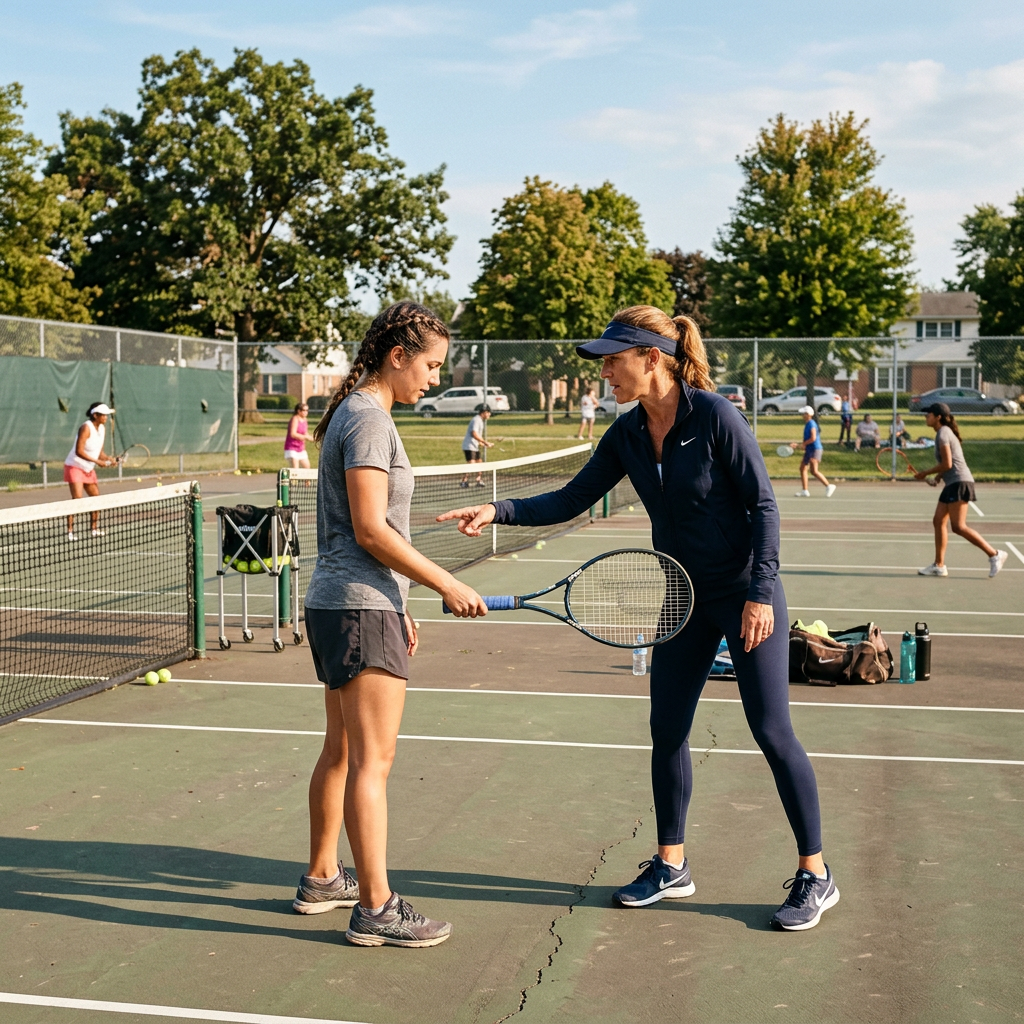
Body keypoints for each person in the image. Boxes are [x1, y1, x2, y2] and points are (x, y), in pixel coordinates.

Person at [438, 306, 839, 931]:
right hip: (681, 598)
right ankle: (671, 863)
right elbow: (572, 497)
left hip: (743, 593)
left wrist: (760, 593)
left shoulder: (714, 416)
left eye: (612, 360)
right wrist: (500, 509)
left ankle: (815, 872)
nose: (605, 373)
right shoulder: (626, 434)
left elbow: (763, 505)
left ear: (653, 357)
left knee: (771, 729)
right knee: (667, 729)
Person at [295, 301, 487, 947]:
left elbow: (363, 534)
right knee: (373, 762)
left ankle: (325, 877)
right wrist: (446, 583)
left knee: (343, 752)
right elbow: (371, 527)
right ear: (397, 356)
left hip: (341, 605)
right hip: (356, 607)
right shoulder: (369, 420)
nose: (434, 379)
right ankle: (377, 907)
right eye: (430, 365)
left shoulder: (356, 414)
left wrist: (400, 600)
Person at [914, 402, 1007, 578]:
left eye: (929, 414)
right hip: (953, 483)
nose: (926, 416)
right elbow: (950, 462)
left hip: (960, 483)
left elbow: (948, 463)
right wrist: (938, 477)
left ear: (938, 417)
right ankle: (939, 565)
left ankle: (995, 554)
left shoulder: (943, 433)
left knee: (958, 526)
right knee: (938, 520)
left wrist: (926, 472)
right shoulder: (943, 433)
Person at [64, 401, 116, 540]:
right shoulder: (86, 428)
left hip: (88, 468)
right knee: (78, 500)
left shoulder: (102, 429)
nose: (106, 418)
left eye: (107, 415)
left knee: (96, 499)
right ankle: (69, 531)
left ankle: (93, 529)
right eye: (103, 415)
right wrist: (98, 462)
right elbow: (79, 451)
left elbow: (99, 453)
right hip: (75, 466)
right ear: (95, 415)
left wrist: (108, 459)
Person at [793, 407, 836, 499]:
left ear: (808, 414)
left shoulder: (811, 424)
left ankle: (829, 486)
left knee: (814, 471)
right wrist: (800, 445)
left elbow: (813, 438)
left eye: (804, 413)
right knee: (803, 468)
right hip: (810, 449)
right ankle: (805, 490)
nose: (802, 415)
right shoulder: (808, 424)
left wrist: (803, 444)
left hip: (815, 449)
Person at [460, 406, 493, 488]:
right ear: (484, 412)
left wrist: (481, 443)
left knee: (479, 463)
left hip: (474, 446)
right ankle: (464, 481)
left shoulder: (480, 421)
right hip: (469, 446)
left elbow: (476, 435)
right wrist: (484, 442)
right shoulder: (476, 420)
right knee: (471, 464)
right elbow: (473, 433)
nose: (489, 414)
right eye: (488, 413)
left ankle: (478, 480)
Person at [284, 402, 311, 470]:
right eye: (304, 410)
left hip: (301, 448)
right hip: (292, 448)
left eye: (307, 410)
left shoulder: (305, 420)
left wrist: (313, 438)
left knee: (307, 467)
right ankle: (293, 481)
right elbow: (293, 434)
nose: (306, 412)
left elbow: (305, 433)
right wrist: (305, 437)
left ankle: (307, 481)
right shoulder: (295, 419)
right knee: (295, 470)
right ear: (299, 411)